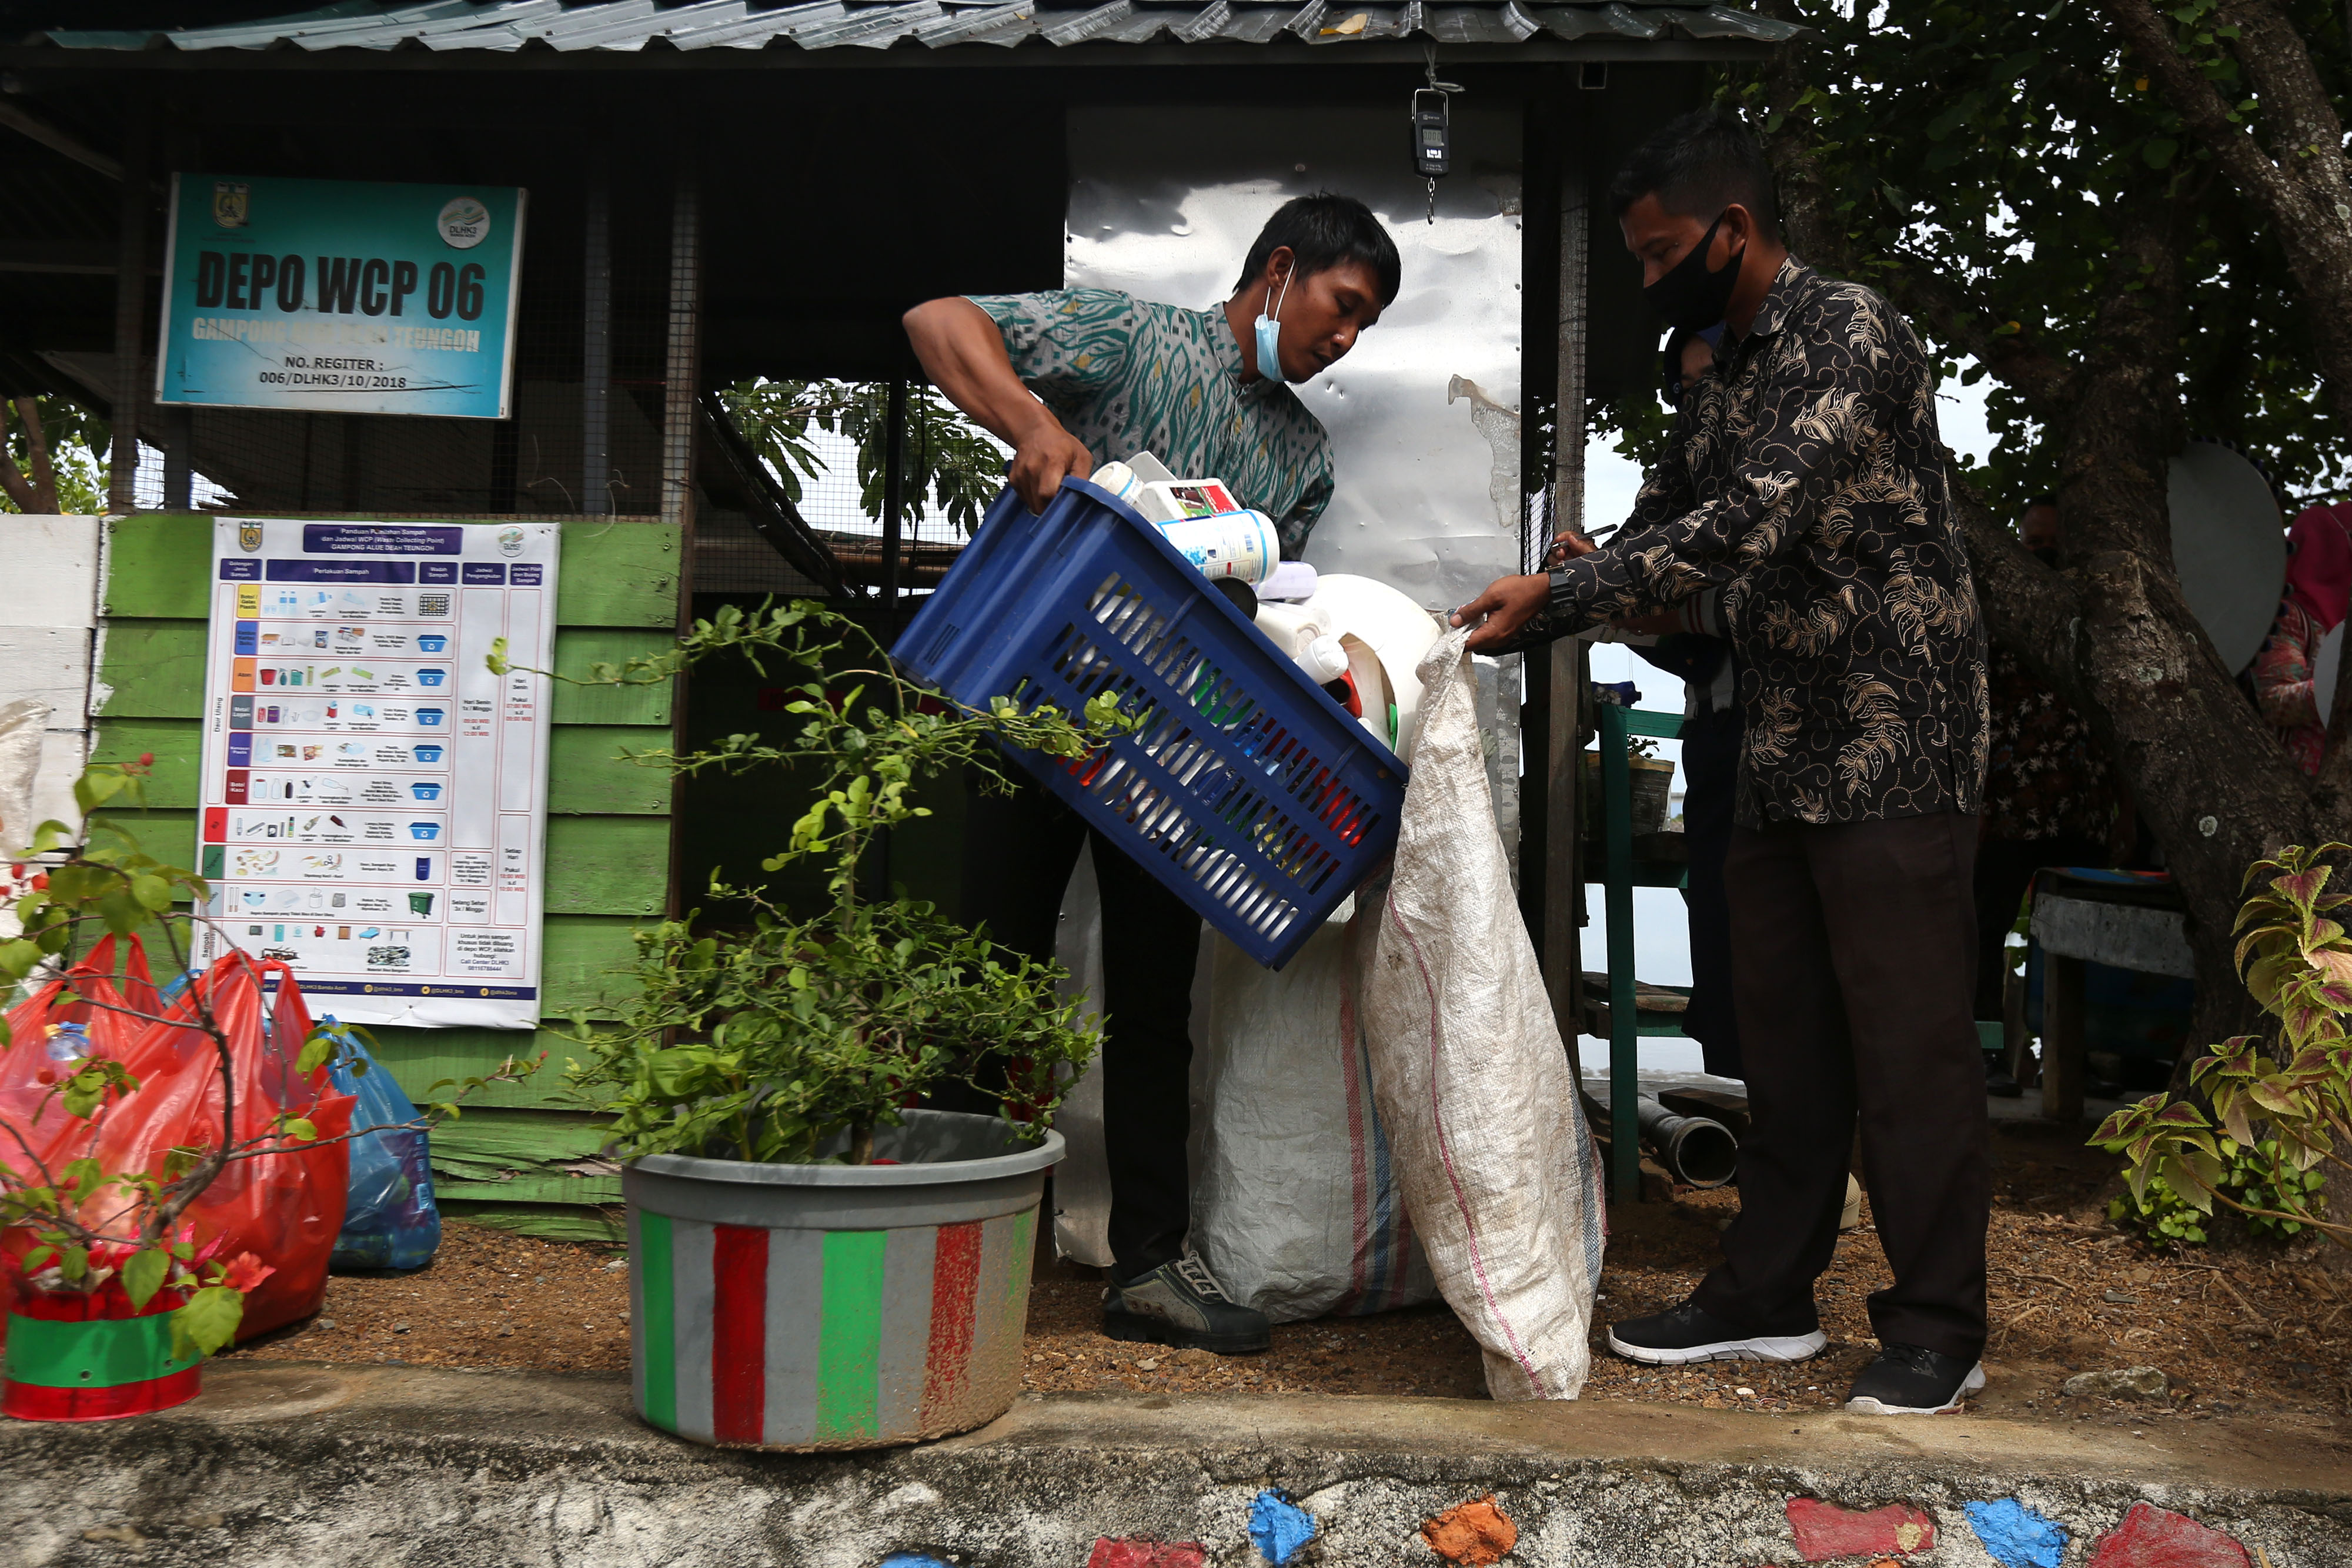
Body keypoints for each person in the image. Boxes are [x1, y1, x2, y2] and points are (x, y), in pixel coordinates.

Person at [1452, 109, 1993, 1416]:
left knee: (1906, 1044)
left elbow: (1746, 524)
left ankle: (1936, 1325)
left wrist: (1568, 605)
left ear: (1732, 232)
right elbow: (1667, 519)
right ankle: (1763, 1295)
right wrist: (1576, 570)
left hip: (1892, 738)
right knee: (1784, 1037)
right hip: (1772, 739)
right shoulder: (1723, 368)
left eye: (1655, 255)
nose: (1646, 282)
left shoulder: (1842, 330)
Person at [902, 194, 1401, 1355]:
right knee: (989, 973)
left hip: (1168, 757)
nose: (1344, 339)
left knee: (1151, 1009)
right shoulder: (1129, 338)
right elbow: (939, 321)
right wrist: (1028, 420)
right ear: (1279, 270)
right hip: (1030, 704)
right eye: (1341, 306)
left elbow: (1266, 613)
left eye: (1365, 326)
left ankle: (1149, 1268)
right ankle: (944, 1243)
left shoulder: (1299, 457)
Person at [1972, 496, 2119, 1085]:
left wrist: (2123, 812)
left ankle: (2080, 1059)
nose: (2046, 556)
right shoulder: (1997, 615)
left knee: (2085, 940)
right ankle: (1987, 1054)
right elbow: (1974, 709)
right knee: (1985, 928)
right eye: (2034, 546)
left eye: (2053, 544)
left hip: (2084, 807)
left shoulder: (2103, 615)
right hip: (2010, 805)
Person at [2247, 500, 2352, 775]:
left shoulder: (2343, 625)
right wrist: (2340, 689)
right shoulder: (2289, 616)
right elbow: (2274, 700)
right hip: (2294, 785)